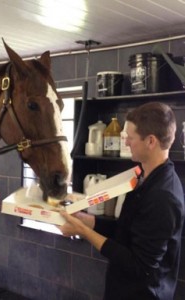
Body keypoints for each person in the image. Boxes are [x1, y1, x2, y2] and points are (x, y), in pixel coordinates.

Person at [59, 102, 185, 300]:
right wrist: (88, 221)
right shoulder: (146, 178)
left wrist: (83, 231)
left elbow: (140, 266)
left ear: (150, 141)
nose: (125, 143)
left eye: (130, 138)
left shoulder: (163, 197)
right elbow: (128, 231)